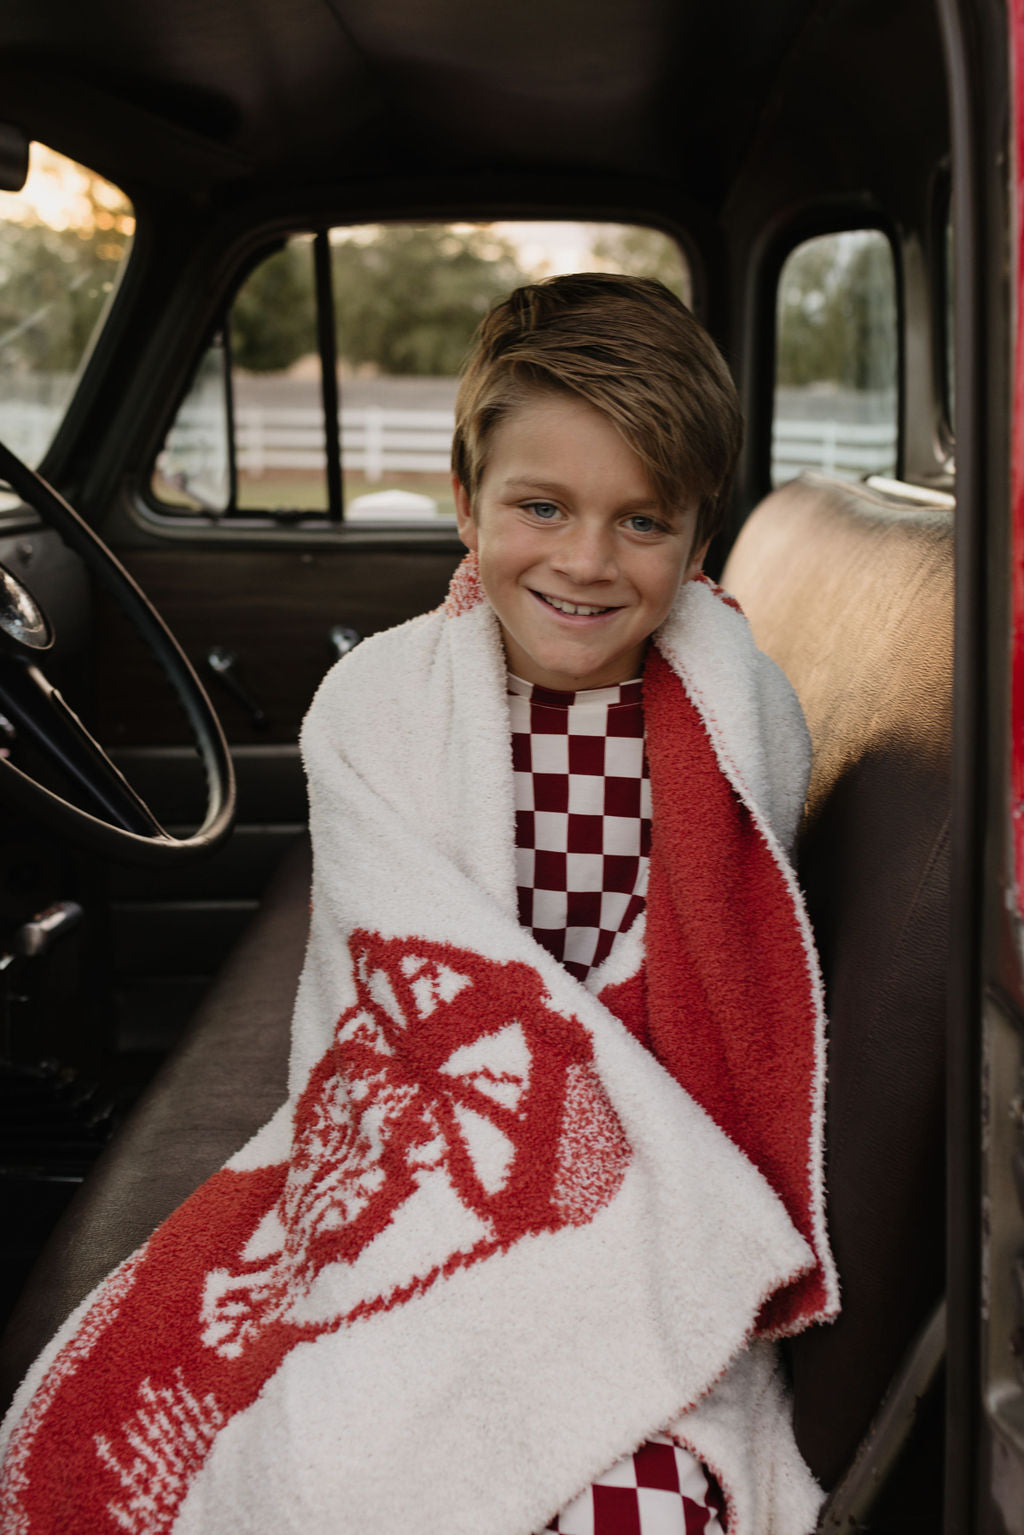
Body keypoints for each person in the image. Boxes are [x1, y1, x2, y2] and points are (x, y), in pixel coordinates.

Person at [0, 275, 837, 1535]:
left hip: (655, 1179)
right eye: (541, 507)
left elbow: (717, 992)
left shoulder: (733, 718)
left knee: (637, 1485)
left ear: (697, 534)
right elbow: (389, 993)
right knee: (323, 1447)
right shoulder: (382, 705)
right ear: (466, 503)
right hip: (431, 1148)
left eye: (641, 521)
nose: (585, 560)